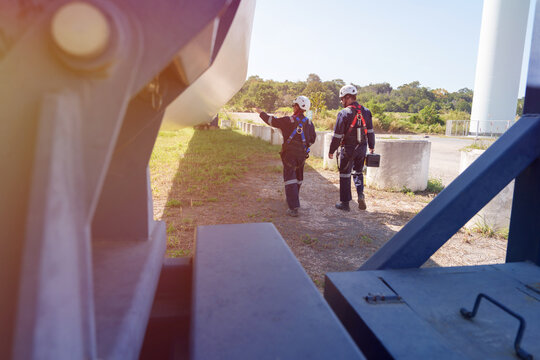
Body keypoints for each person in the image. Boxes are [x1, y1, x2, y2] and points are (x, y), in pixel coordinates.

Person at [259, 96, 316, 217]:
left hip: (289, 154)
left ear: (296, 107)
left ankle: (293, 207)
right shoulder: (309, 123)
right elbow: (312, 139)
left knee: (290, 178)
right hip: (302, 155)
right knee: (299, 177)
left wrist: (261, 113)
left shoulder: (288, 120)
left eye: (293, 105)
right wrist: (303, 146)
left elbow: (272, 121)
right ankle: (293, 198)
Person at [328, 84, 375, 211]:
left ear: (348, 97)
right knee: (358, 172)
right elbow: (370, 131)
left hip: (348, 149)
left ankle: (345, 203)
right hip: (362, 148)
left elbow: (337, 136)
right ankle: (360, 194)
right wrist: (372, 146)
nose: (341, 101)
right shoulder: (366, 112)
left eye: (342, 99)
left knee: (345, 174)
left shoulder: (343, 113)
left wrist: (331, 150)